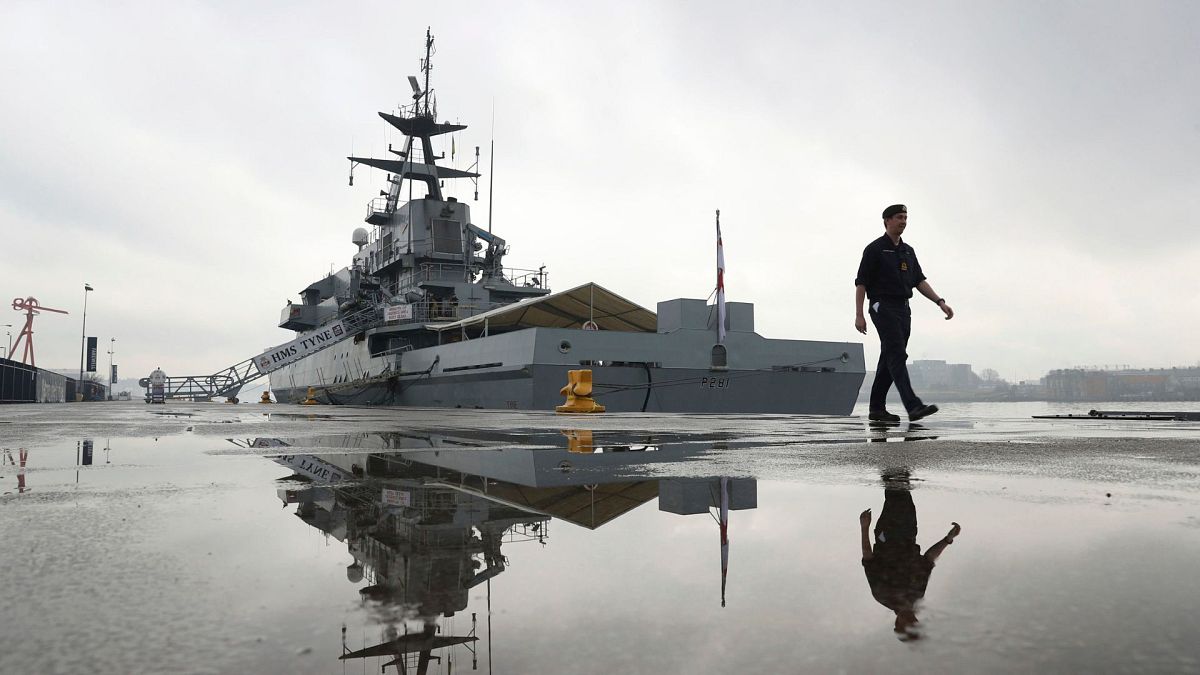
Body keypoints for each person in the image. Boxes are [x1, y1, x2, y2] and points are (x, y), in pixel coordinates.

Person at [854, 204, 954, 423]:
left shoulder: (908, 251)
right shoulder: (875, 249)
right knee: (897, 354)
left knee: (889, 357)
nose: (903, 221)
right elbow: (861, 283)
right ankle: (913, 406)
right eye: (899, 217)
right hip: (882, 305)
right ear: (887, 221)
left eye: (906, 217)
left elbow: (919, 280)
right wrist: (859, 314)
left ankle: (877, 409)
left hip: (903, 308)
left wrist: (940, 301)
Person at [859, 470, 961, 640]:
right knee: (901, 490)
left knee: (897, 490)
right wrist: (948, 539)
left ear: (897, 624)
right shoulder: (917, 594)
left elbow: (868, 558)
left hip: (887, 536)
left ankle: (892, 452)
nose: (912, 620)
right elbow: (928, 560)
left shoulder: (882, 595)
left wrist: (864, 527)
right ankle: (895, 452)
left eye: (908, 624)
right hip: (908, 534)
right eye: (915, 623)